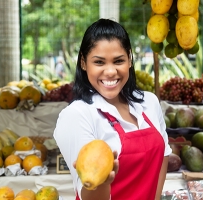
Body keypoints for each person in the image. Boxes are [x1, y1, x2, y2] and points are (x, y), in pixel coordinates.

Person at [53, 18, 171, 200]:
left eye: (118, 61)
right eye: (99, 62)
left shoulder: (149, 102)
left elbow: (163, 155)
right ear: (84, 63)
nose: (110, 71)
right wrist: (102, 182)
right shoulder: (76, 115)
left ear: (129, 60)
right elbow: (88, 193)